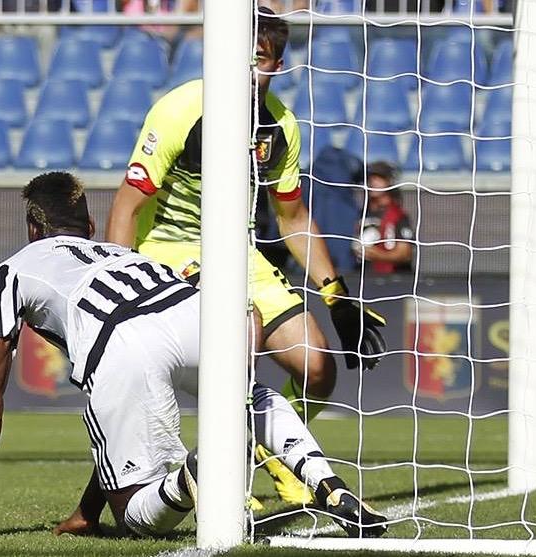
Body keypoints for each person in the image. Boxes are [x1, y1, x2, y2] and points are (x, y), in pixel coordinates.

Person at [0, 171, 387, 539]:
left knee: (133, 514)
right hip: (196, 309)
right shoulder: (119, 253)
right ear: (90, 228)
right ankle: (329, 483)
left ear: (33, 230)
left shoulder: (10, 270)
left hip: (121, 340)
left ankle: (193, 473)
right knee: (256, 398)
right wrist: (85, 512)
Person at [103, 7, 387, 506]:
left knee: (318, 368)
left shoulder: (282, 126)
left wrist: (336, 294)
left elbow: (293, 219)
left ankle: (271, 450)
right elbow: (128, 206)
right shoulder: (181, 109)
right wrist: (120, 284)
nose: (246, 67)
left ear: (276, 66)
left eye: (258, 58)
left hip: (239, 250)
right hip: (167, 249)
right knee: (243, 332)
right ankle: (220, 476)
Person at [355, 161, 415, 275]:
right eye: (371, 179)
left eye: (379, 178)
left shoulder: (398, 216)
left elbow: (405, 253)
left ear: (390, 182)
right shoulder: (361, 214)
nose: (373, 182)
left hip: (393, 279)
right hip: (363, 277)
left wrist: (377, 255)